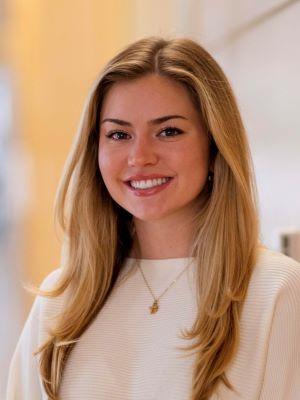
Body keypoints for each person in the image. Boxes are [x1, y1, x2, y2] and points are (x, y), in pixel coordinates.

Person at [6, 37, 300, 400]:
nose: (139, 156)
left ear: (215, 143)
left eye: (168, 131)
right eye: (118, 134)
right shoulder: (63, 299)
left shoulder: (275, 290)